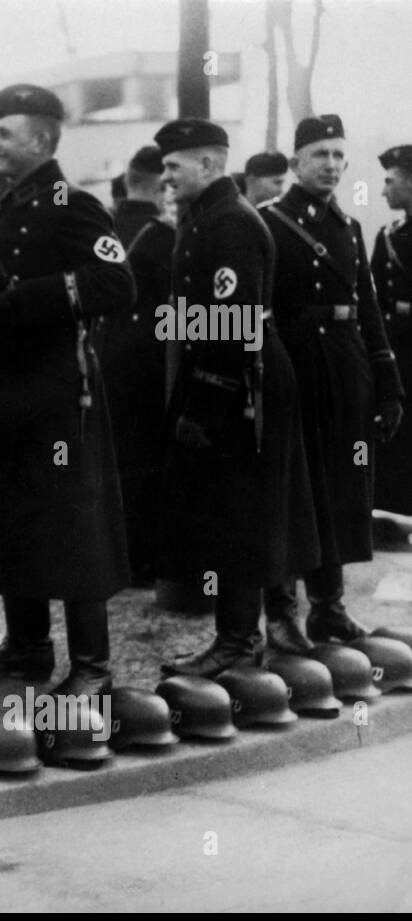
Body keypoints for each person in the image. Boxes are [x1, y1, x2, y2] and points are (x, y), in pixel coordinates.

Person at [0, 84, 134, 699]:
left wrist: (24, 300)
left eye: (4, 133)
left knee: (73, 524)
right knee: (16, 518)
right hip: (8, 390)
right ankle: (28, 646)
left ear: (40, 139)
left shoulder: (76, 203)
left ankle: (92, 665)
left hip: (61, 391)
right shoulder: (0, 205)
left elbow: (117, 282)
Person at [150, 119, 318, 677]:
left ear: (209, 164)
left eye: (174, 166)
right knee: (230, 514)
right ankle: (242, 634)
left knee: (241, 515)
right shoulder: (208, 218)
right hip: (229, 377)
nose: (166, 176)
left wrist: (202, 406)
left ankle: (239, 642)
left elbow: (233, 323)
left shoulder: (229, 224)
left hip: (242, 383)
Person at [260, 115, 405, 653]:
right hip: (293, 371)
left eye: (340, 156)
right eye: (320, 154)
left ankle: (330, 610)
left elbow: (369, 312)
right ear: (296, 162)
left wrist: (388, 385)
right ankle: (281, 614)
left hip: (345, 374)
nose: (332, 165)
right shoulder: (269, 223)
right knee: (291, 493)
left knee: (340, 490)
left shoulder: (349, 229)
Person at [94, 144, 173, 585]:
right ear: (161, 185)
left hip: (101, 354)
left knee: (110, 460)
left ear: (127, 179)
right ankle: (142, 561)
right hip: (148, 363)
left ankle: (110, 555)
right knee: (146, 462)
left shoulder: (101, 227)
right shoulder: (165, 234)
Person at [372, 145, 412, 524]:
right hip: (399, 353)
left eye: (390, 181)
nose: (384, 191)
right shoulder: (388, 236)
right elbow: (373, 302)